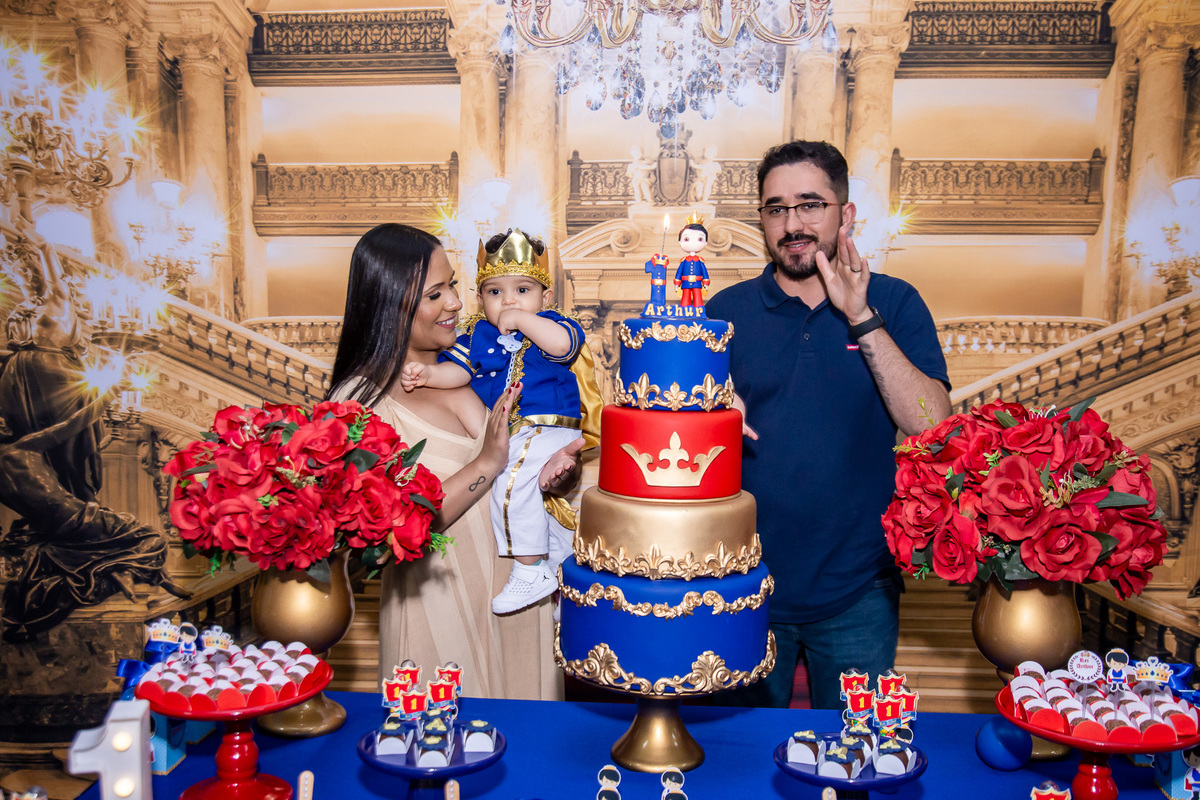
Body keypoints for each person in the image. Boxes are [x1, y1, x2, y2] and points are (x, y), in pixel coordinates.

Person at [706, 140, 951, 709]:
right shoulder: (725, 313)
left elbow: (930, 424)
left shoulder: (895, 301)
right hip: (740, 582)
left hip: (860, 587)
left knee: (857, 748)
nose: (792, 224)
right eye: (776, 209)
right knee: (740, 751)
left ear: (846, 213)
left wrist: (860, 317)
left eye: (810, 204)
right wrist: (710, 413)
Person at [326, 223, 582, 700]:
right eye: (435, 294)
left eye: (453, 286)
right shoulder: (358, 404)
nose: (456, 304)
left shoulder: (474, 375)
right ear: (390, 304)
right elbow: (385, 537)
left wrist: (558, 476)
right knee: (438, 735)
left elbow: (525, 473)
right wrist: (485, 463)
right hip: (437, 607)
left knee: (531, 736)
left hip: (518, 599)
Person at [401, 229, 598, 615]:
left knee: (508, 478)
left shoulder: (552, 324)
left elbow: (562, 347)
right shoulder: (477, 334)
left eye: (523, 290)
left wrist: (523, 319)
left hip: (547, 425)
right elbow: (460, 373)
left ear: (546, 298)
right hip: (519, 433)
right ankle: (562, 575)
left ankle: (529, 569)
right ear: (480, 299)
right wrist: (427, 375)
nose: (508, 300)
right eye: (495, 292)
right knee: (536, 499)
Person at [674, 220, 710, 308]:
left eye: (700, 239)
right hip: (686, 282)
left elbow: (704, 272)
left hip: (697, 282)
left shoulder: (700, 261)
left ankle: (699, 309)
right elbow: (679, 272)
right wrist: (677, 283)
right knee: (685, 297)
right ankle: (684, 310)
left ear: (705, 242)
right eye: (686, 239)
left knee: (698, 297)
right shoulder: (684, 260)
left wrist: (705, 282)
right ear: (680, 242)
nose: (693, 242)